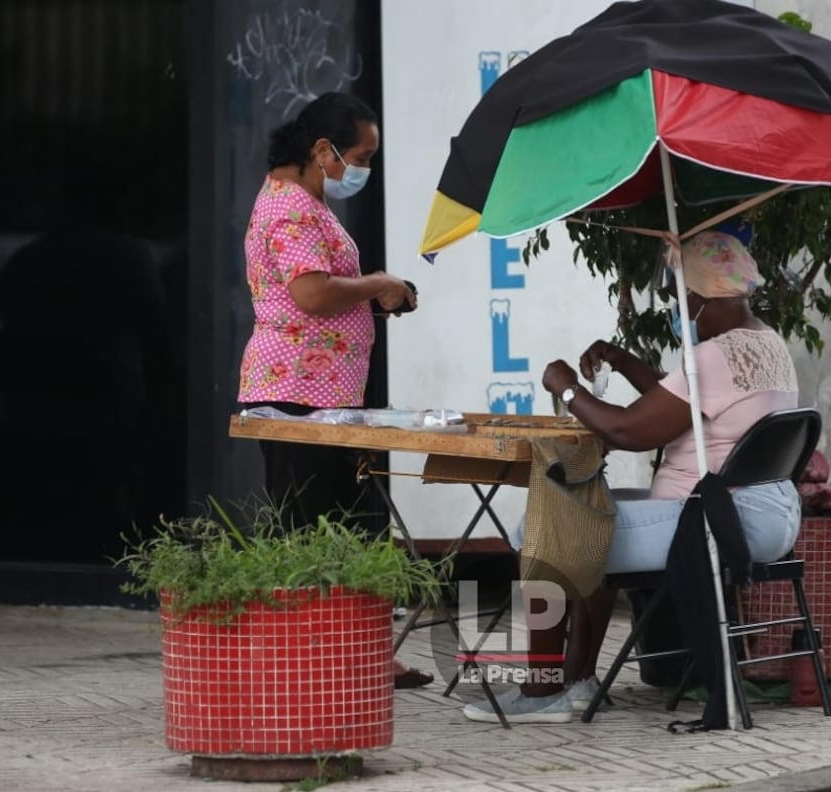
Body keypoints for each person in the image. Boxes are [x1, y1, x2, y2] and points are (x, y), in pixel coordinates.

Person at [463, 230, 802, 723]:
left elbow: (627, 431)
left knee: (544, 526)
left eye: (678, 294)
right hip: (763, 513)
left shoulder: (713, 356)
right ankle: (577, 681)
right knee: (583, 508)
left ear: (695, 295)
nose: (677, 304)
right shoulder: (764, 343)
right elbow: (677, 400)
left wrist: (568, 389)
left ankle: (541, 692)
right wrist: (621, 361)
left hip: (712, 524)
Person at [236, 92, 431, 689]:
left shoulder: (306, 201)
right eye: (361, 155)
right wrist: (377, 281)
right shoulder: (291, 209)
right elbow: (312, 294)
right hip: (295, 395)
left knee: (350, 526)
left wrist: (376, 296)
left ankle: (359, 656)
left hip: (326, 395)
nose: (365, 168)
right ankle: (307, 664)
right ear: (323, 150)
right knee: (310, 529)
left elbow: (323, 295)